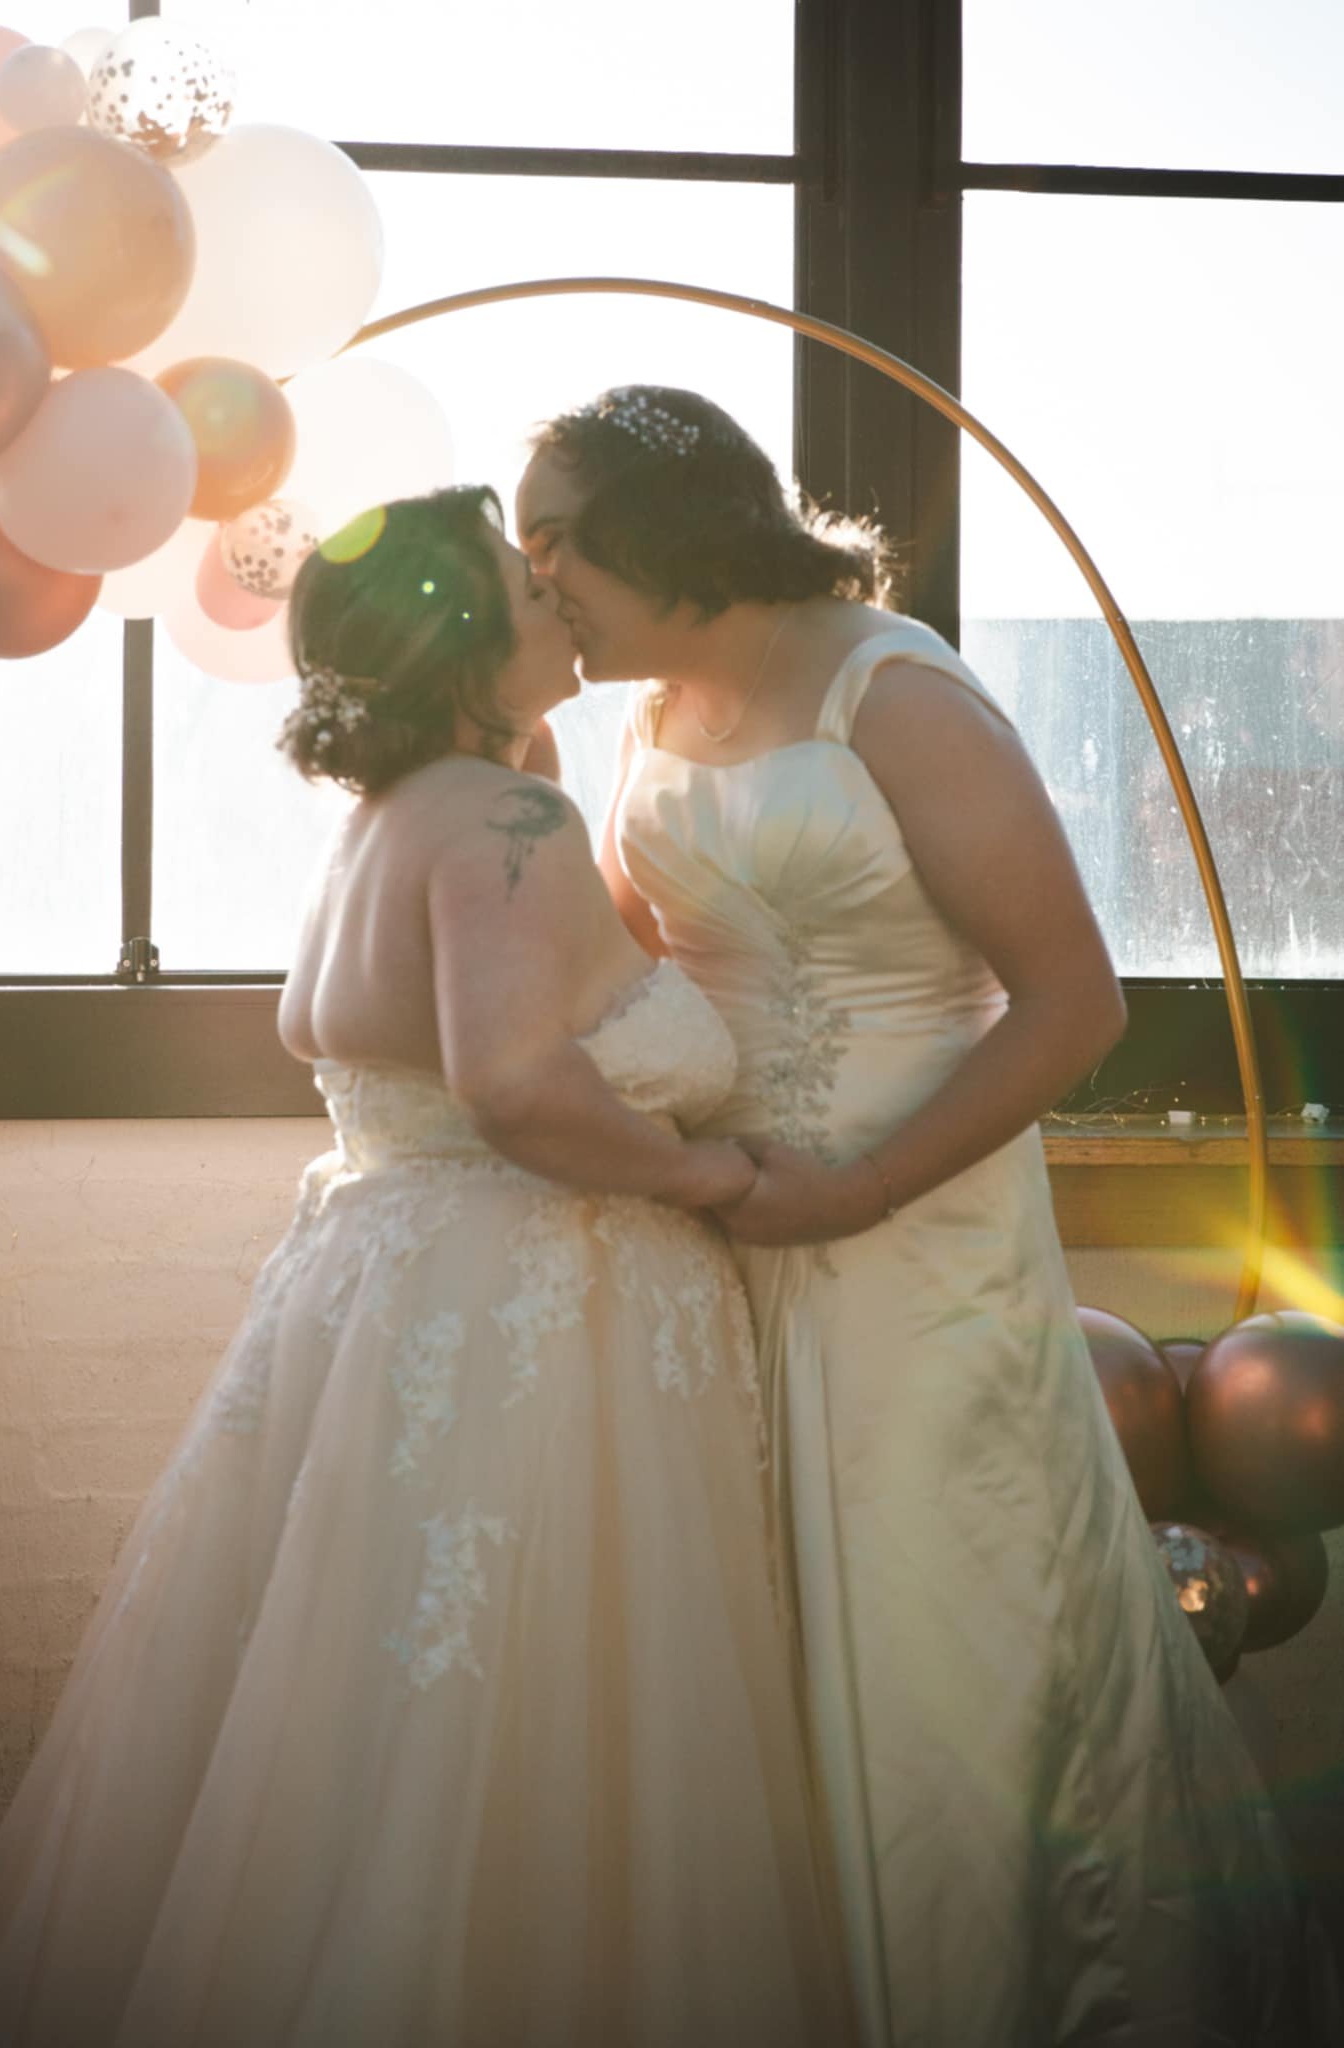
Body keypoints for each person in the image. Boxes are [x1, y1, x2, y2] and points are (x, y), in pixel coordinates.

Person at [0, 485, 858, 2048]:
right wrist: (714, 1171)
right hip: (533, 1323)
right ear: (468, 639)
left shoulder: (391, 821)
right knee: (508, 1742)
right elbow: (516, 1087)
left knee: (365, 1737)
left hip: (386, 1300)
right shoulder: (500, 822)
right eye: (524, 589)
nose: (560, 600)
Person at [517, 388, 1319, 2047]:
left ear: (662, 537)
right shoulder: (636, 718)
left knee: (933, 1654)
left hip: (918, 1238)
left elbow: (1072, 1003)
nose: (534, 583)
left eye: (554, 544)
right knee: (747, 1656)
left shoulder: (895, 686)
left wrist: (859, 1186)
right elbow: (628, 967)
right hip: (723, 1236)